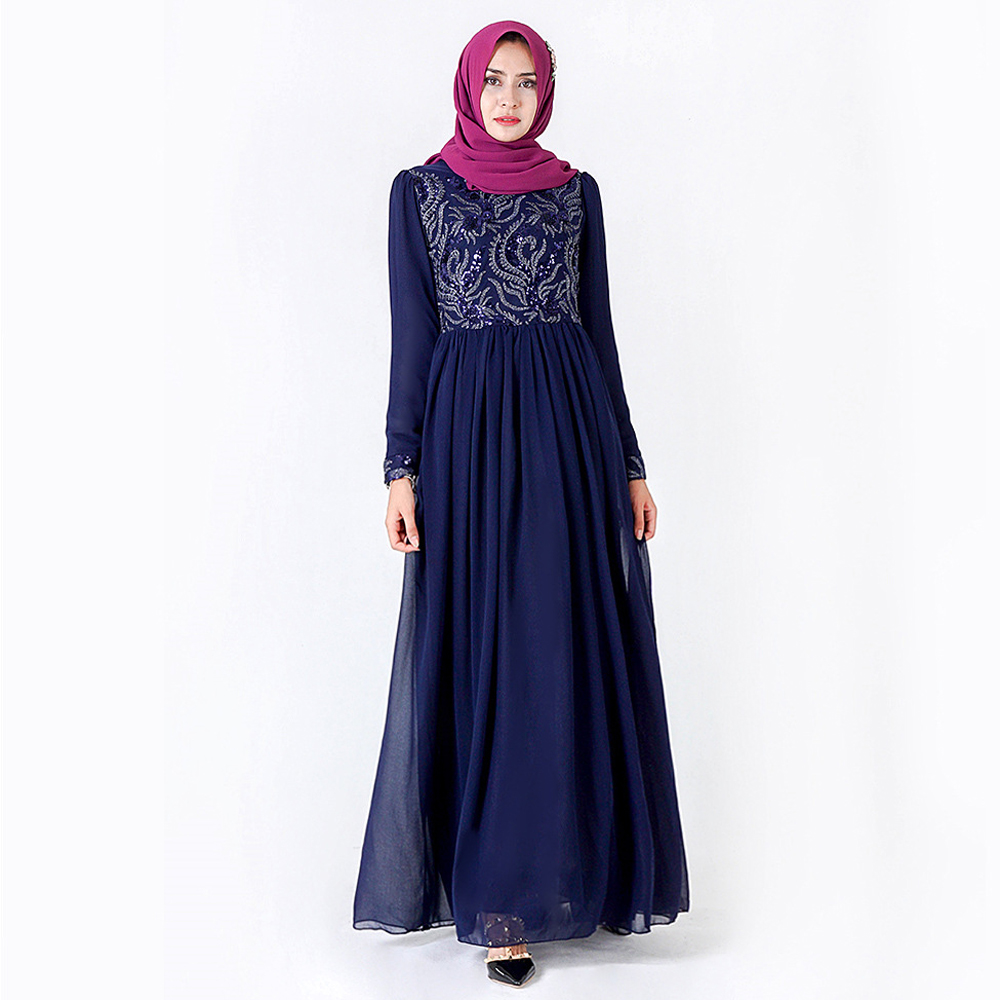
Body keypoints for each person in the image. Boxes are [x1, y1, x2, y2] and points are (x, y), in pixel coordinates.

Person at [353, 20, 689, 987]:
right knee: (488, 656)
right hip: (467, 446)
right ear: (470, 86)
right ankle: (500, 901)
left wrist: (630, 463)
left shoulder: (575, 194)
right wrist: (400, 469)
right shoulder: (420, 193)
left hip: (570, 439)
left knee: (556, 651)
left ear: (547, 92)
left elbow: (600, 333)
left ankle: (567, 878)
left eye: (528, 82)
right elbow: (412, 335)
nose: (509, 98)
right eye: (495, 80)